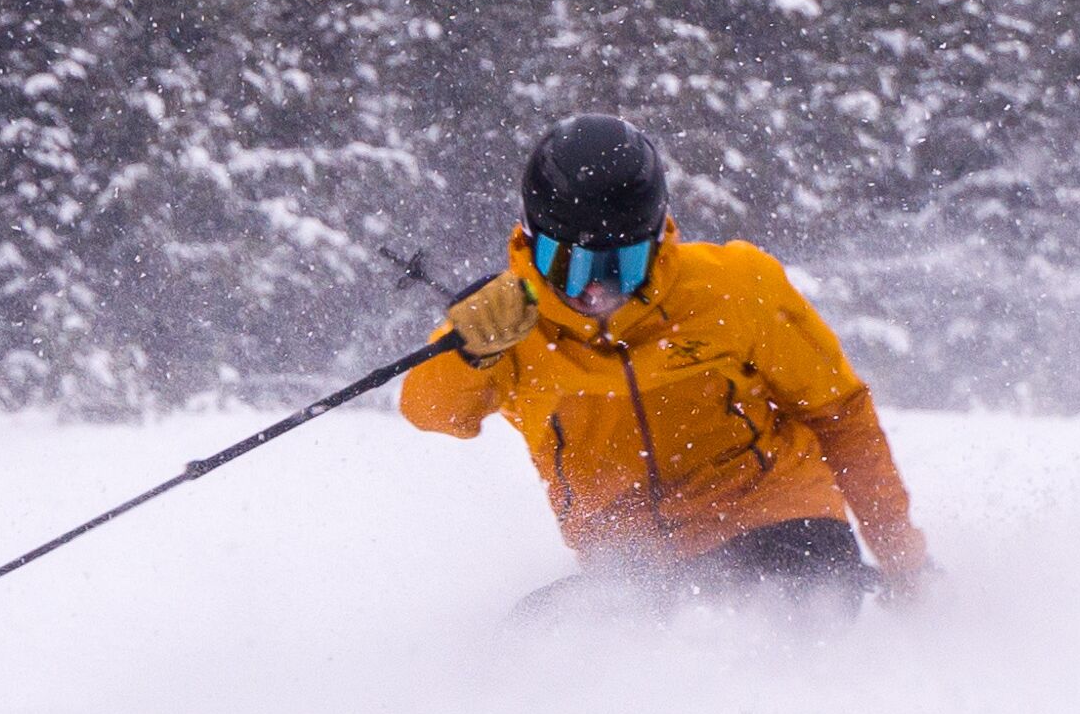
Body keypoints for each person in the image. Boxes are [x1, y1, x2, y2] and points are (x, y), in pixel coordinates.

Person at [399, 113, 931, 617]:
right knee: (536, 649)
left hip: (777, 521)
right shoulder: (504, 323)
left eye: (620, 264)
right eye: (566, 262)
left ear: (656, 240)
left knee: (773, 623)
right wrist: (469, 354)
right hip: (637, 568)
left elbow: (839, 413)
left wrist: (902, 559)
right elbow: (431, 411)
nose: (593, 287)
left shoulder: (733, 289)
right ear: (530, 241)